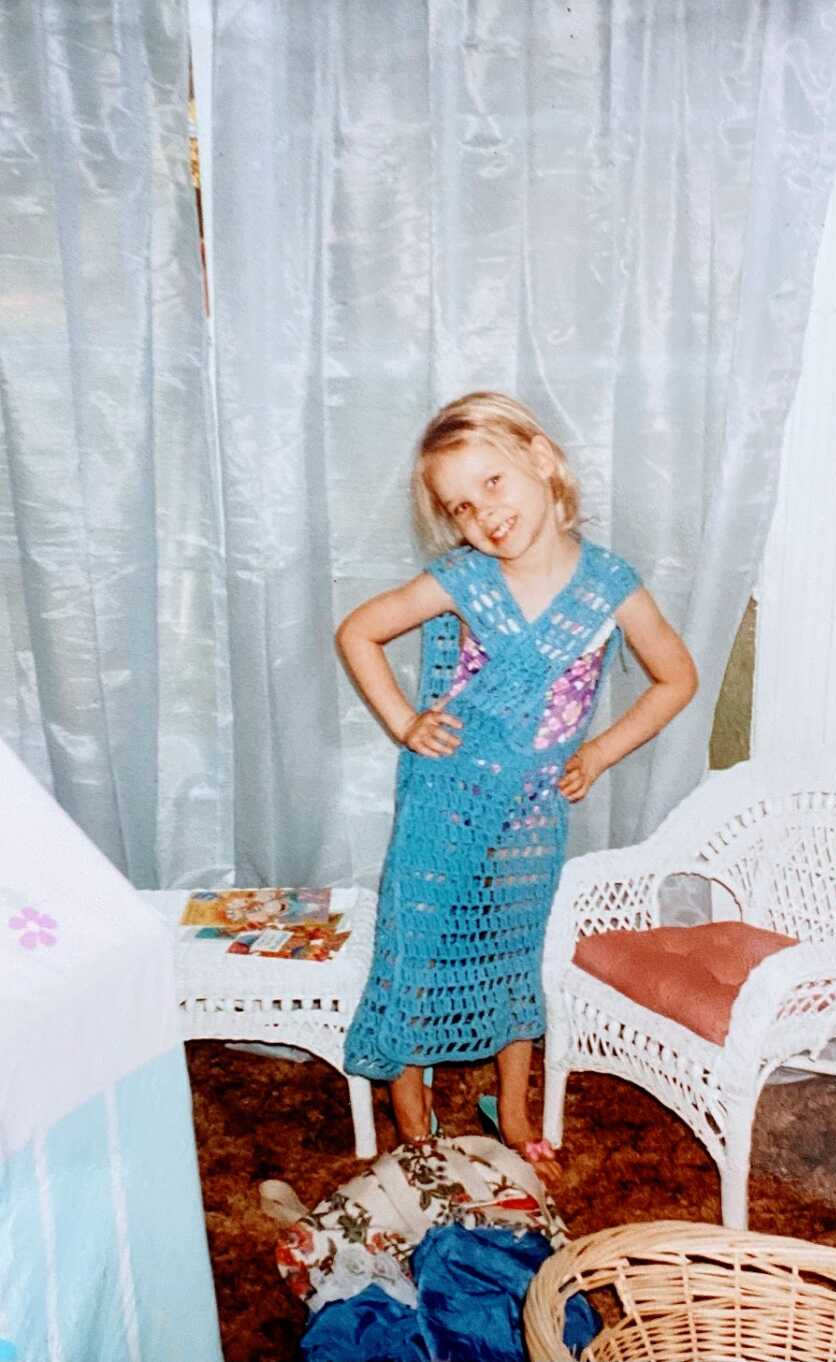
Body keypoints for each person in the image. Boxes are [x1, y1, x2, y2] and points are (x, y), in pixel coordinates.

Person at [338, 392, 697, 1183]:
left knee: (511, 949)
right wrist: (404, 721)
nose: (484, 514)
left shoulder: (608, 586)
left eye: (494, 483)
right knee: (417, 944)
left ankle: (515, 1106)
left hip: (533, 809)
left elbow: (676, 678)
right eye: (461, 506)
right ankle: (412, 1114)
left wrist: (599, 751)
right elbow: (358, 630)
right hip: (444, 798)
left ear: (541, 458)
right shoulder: (464, 581)